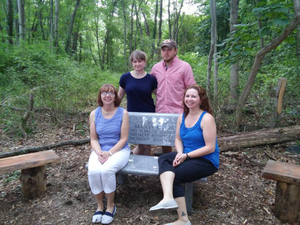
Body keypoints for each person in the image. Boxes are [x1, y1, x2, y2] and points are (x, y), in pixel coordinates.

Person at [149, 84, 219, 225]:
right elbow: (178, 139)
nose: (189, 99)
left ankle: (183, 219)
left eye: (194, 96)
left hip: (206, 160)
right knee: (163, 158)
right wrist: (180, 153)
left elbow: (210, 147)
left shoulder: (206, 118)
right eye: (187, 96)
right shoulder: (182, 117)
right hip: (186, 155)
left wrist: (186, 156)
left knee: (176, 176)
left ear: (201, 99)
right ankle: (168, 197)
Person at [88, 84, 130, 224]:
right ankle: (100, 205)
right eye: (104, 93)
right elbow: (93, 138)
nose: (107, 95)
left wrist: (109, 153)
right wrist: (99, 152)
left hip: (119, 150)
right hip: (100, 149)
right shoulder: (94, 114)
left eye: (111, 93)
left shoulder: (122, 113)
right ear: (100, 96)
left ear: (115, 96)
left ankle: (111, 205)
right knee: (93, 171)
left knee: (106, 170)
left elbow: (124, 138)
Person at [151, 39, 196, 154]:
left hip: (180, 111)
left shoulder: (184, 67)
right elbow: (150, 86)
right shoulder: (156, 68)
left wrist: (192, 110)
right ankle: (168, 163)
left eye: (169, 49)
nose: (166, 52)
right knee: (164, 141)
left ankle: (184, 164)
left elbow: (191, 89)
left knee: (183, 141)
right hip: (161, 111)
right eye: (163, 50)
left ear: (175, 50)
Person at [118, 50, 157, 155]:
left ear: (144, 62)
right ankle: (130, 159)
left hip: (148, 114)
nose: (137, 64)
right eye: (135, 61)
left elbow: (160, 95)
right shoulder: (125, 78)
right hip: (132, 114)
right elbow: (119, 96)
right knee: (141, 144)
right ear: (131, 63)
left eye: (140, 61)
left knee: (148, 142)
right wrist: (111, 110)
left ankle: (146, 165)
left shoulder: (151, 79)